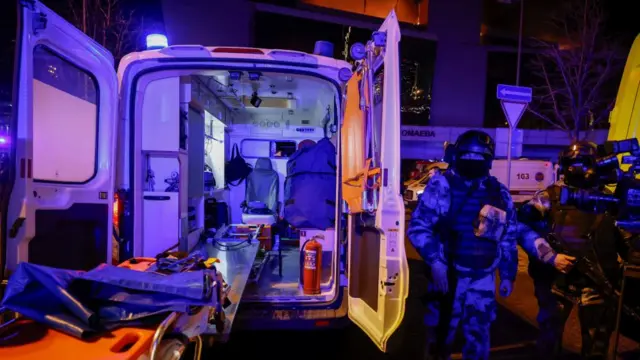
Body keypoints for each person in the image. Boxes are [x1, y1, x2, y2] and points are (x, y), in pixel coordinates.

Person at [518, 141, 636, 359]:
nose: (579, 169)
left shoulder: (610, 201)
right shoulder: (549, 198)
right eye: (573, 164)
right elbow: (520, 225)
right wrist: (549, 256)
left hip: (598, 285)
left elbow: (629, 241)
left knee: (596, 348)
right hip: (556, 284)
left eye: (584, 163)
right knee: (549, 343)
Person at [408, 130, 517, 360]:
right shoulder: (442, 186)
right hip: (448, 277)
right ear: (458, 155)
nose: (473, 161)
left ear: (488, 159)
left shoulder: (500, 192)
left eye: (480, 157)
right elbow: (418, 227)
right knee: (439, 340)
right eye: (468, 155)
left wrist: (507, 274)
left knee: (478, 341)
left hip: (483, 278)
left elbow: (508, 236)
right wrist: (436, 261)